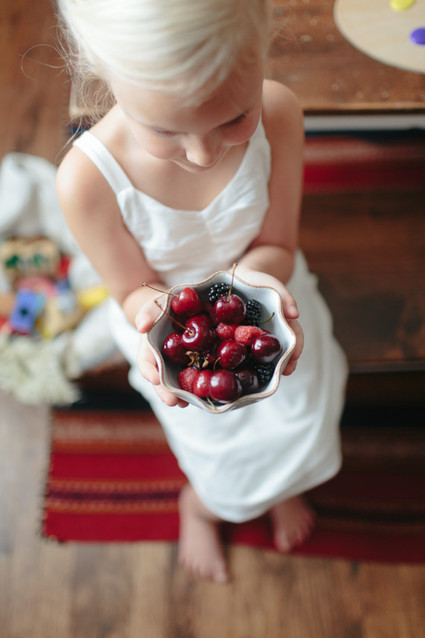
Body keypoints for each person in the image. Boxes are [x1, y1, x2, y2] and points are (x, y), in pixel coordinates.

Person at [56, 0, 348, 583]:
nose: (203, 153)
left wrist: (258, 284)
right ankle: (205, 505)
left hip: (270, 301)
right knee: (222, 455)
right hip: (171, 335)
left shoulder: (279, 113)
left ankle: (284, 486)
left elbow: (277, 245)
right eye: (165, 130)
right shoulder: (86, 182)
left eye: (234, 118)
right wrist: (156, 315)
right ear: (105, 75)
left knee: (302, 418)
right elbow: (132, 290)